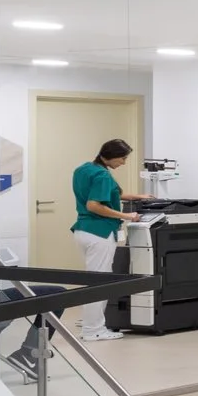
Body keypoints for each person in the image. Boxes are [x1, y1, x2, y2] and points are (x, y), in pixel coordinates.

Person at [70, 138, 135, 341]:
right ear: (112, 156)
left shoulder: (84, 169)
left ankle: (89, 320)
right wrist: (127, 216)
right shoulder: (103, 176)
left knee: (94, 279)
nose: (124, 162)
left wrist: (139, 197)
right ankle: (93, 330)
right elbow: (94, 205)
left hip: (83, 231)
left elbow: (112, 194)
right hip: (100, 233)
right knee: (101, 282)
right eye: (123, 158)